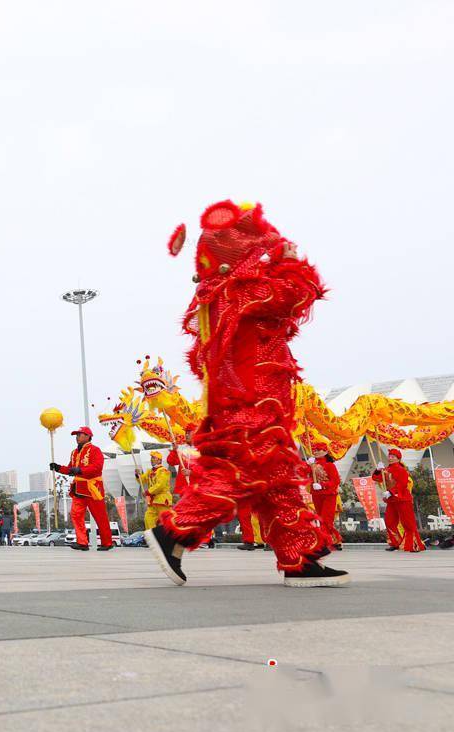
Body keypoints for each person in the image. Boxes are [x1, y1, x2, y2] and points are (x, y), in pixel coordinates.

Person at [146, 201, 347, 587]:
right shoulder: (239, 291)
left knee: (281, 480)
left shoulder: (220, 295)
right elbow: (296, 292)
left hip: (255, 402)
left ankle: (299, 556)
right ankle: (174, 529)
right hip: (252, 403)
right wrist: (290, 261)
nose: (266, 257)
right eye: (258, 252)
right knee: (242, 472)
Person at [51, 426, 113, 551]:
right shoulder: (74, 452)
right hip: (78, 488)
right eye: (76, 435)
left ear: (88, 436)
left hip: (93, 488)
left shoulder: (95, 450)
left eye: (79, 434)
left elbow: (97, 467)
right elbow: (70, 469)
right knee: (76, 515)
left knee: (100, 516)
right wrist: (58, 468)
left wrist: (80, 470)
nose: (77, 437)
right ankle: (82, 542)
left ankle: (107, 543)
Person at [372, 448, 425, 553]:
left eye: (393, 457)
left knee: (408, 523)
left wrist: (390, 492)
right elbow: (376, 478)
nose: (390, 458)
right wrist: (378, 470)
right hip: (391, 500)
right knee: (389, 522)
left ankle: (414, 545)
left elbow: (402, 484)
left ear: (398, 459)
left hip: (403, 499)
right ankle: (396, 543)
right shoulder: (386, 469)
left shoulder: (401, 470)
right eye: (389, 456)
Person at [308, 443, 343, 551]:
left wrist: (322, 485)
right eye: (315, 450)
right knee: (321, 519)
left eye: (319, 449)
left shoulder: (330, 465)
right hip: (317, 495)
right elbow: (306, 477)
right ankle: (335, 541)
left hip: (329, 495)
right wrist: (307, 466)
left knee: (326, 519)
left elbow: (335, 481)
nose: (316, 451)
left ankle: (326, 543)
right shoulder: (312, 465)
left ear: (326, 451)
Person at [139, 452, 172, 532]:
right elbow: (142, 480)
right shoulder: (149, 471)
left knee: (165, 521)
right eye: (151, 458)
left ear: (159, 460)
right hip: (152, 501)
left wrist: (148, 492)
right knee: (148, 518)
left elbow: (160, 485)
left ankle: (168, 538)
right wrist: (138, 475)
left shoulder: (163, 471)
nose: (151, 460)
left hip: (162, 500)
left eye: (154, 458)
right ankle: (153, 536)